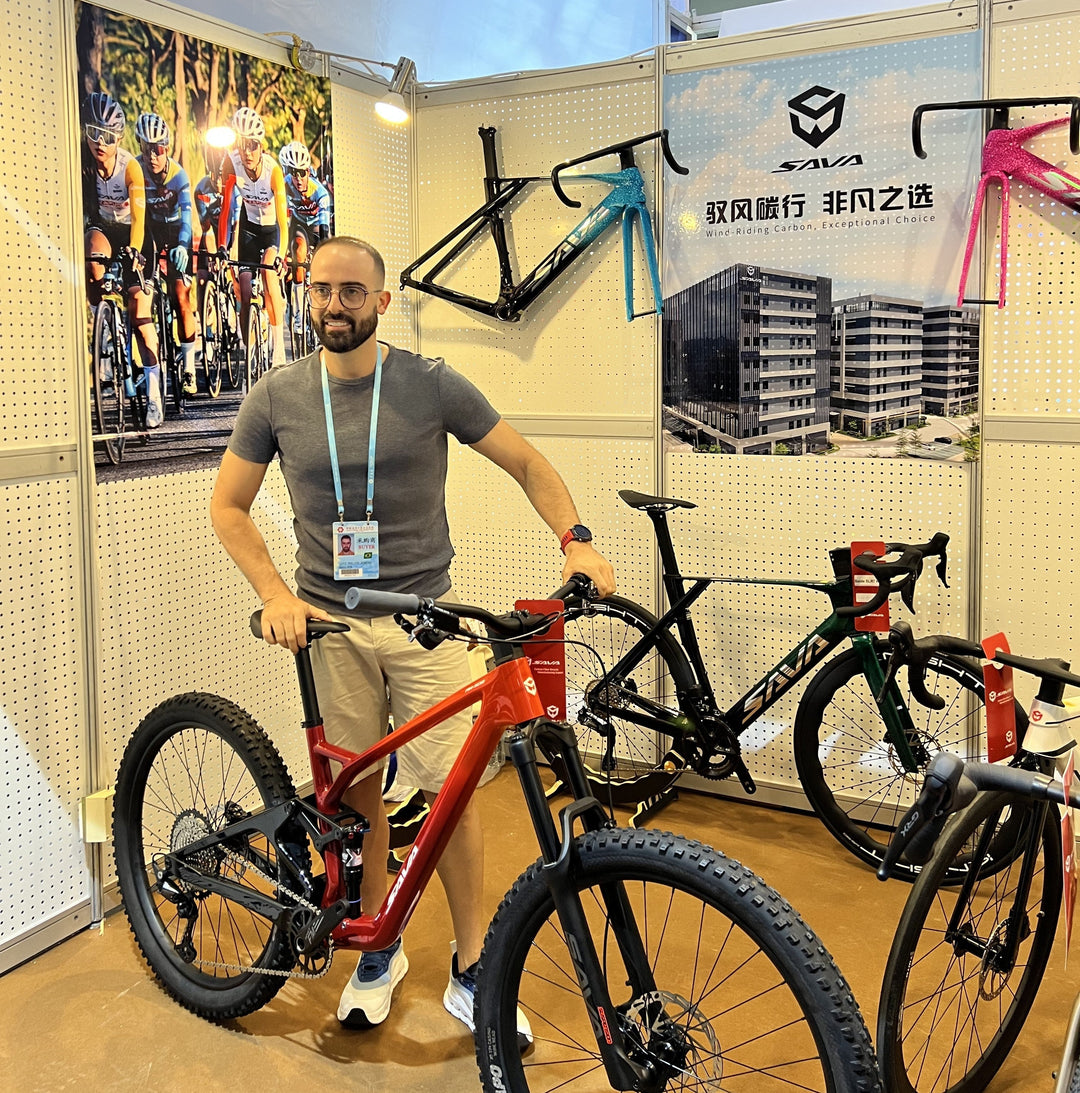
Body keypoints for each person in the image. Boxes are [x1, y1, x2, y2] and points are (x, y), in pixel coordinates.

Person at [210, 235, 614, 1038]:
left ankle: (471, 967)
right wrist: (275, 592)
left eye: (353, 292)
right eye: (322, 289)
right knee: (359, 797)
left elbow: (527, 462)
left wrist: (577, 537)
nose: (334, 305)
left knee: (453, 792)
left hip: (428, 617)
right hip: (328, 622)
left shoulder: (428, 385)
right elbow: (229, 505)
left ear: (382, 301)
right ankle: (378, 945)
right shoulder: (278, 394)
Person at [80, 92, 163, 426]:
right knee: (89, 255)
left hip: (134, 235)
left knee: (140, 314)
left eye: (109, 137)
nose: (100, 143)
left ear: (120, 140)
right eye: (93, 133)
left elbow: (140, 221)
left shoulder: (130, 167)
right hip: (104, 229)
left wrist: (135, 253)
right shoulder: (82, 161)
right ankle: (102, 328)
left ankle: (155, 395)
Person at [217, 107, 288, 369]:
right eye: (242, 144)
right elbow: (225, 210)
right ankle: (249, 352)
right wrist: (223, 246)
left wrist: (281, 254)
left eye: (253, 145)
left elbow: (282, 218)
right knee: (244, 287)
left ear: (261, 146)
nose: (247, 152)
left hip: (271, 232)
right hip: (248, 229)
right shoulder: (231, 163)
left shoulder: (273, 171)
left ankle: (278, 349)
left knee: (269, 275)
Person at [135, 112, 199, 398]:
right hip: (149, 231)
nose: (153, 156)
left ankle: (188, 368)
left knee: (181, 294)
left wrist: (184, 246)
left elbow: (187, 218)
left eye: (158, 149)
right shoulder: (135, 170)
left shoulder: (178, 175)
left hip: (175, 231)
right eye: (146, 148)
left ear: (167, 149)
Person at [278, 141, 331, 336]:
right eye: (293, 172)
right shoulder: (284, 186)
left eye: (302, 172)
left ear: (308, 171)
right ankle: (298, 311)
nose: (298, 178)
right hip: (299, 225)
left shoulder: (320, 193)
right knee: (298, 251)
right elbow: (280, 218)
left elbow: (325, 231)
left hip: (317, 226)